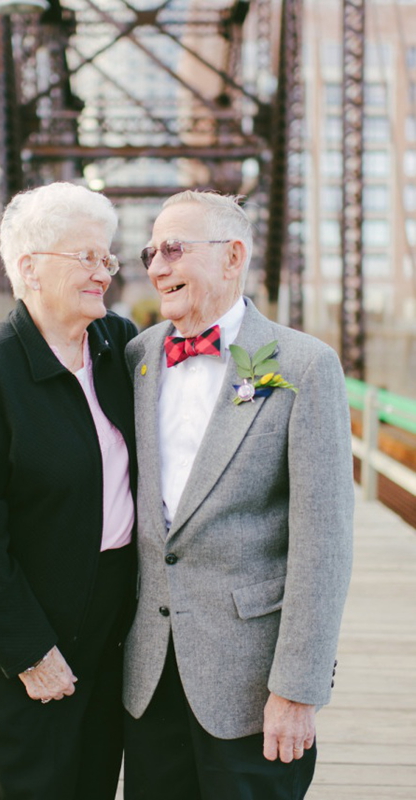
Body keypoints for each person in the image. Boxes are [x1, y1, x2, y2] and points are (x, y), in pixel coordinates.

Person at [122, 190, 354, 800]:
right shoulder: (139, 357)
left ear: (232, 257)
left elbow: (323, 543)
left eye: (174, 248)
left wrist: (298, 688)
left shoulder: (302, 366)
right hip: (148, 676)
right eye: (151, 251)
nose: (157, 265)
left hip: (253, 685)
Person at [0, 182, 137, 800]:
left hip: (109, 618)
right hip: (25, 623)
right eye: (86, 257)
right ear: (28, 267)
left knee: (93, 781)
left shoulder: (116, 345)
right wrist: (28, 651)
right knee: (29, 784)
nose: (103, 272)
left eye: (107, 258)